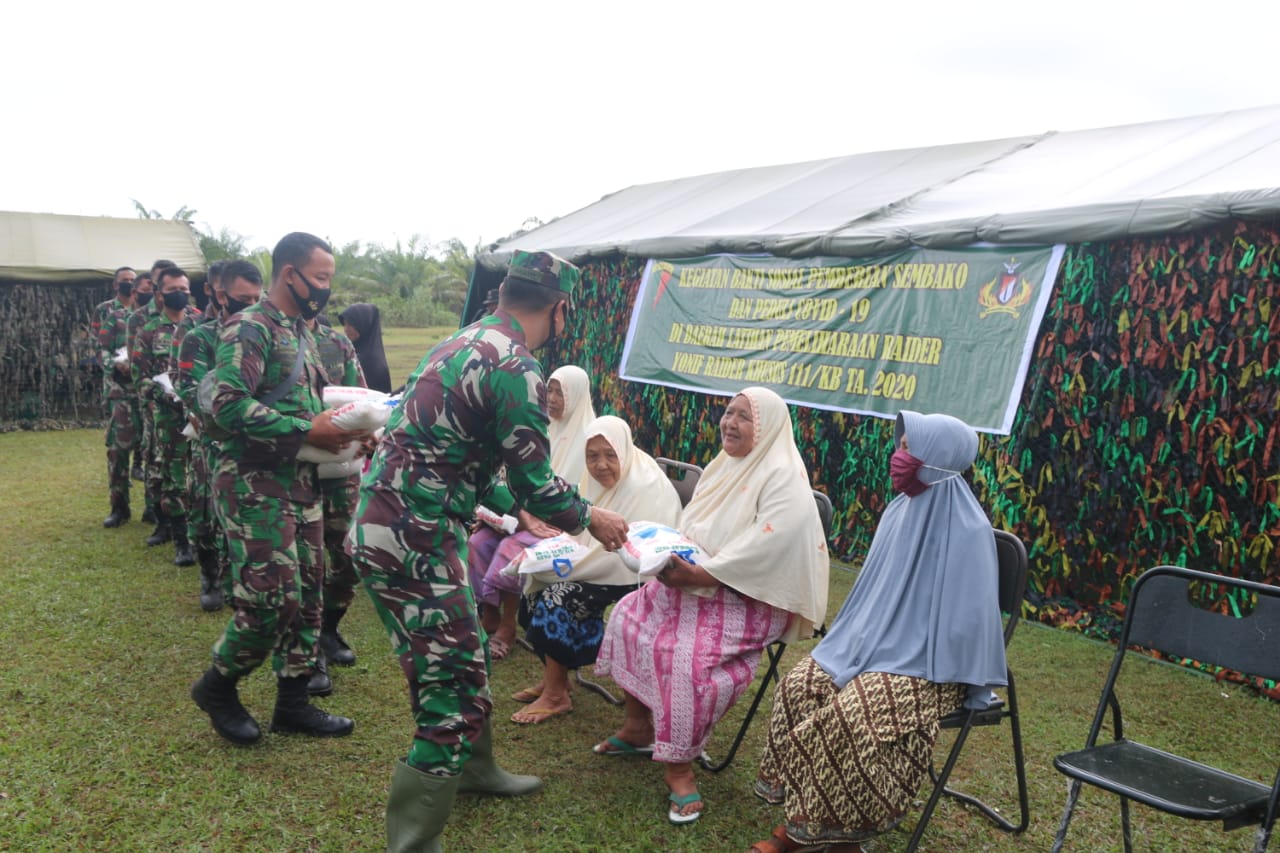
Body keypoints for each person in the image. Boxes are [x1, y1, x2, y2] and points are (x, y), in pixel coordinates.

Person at [348, 249, 629, 853]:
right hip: (412, 538)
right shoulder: (516, 365)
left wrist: (517, 506)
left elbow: (467, 457)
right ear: (560, 309)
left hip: (396, 524)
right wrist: (591, 517)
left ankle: (476, 771)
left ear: (505, 292)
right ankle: (413, 844)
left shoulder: (462, 341)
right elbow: (534, 482)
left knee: (467, 655)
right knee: (448, 686)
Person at [748, 411, 1007, 853]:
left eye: (908, 448)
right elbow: (875, 596)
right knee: (800, 686)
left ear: (938, 458)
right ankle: (816, 820)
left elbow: (968, 630)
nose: (897, 456)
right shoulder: (898, 512)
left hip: (933, 669)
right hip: (869, 648)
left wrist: (905, 658)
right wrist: (861, 648)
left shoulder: (971, 531)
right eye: (900, 445)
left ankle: (822, 836)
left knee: (855, 714)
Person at [593, 386, 829, 826]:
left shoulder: (782, 477)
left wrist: (702, 574)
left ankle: (679, 769)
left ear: (769, 427)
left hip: (752, 595)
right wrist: (672, 556)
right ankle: (638, 727)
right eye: (728, 412)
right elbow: (694, 524)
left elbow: (766, 549)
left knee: (685, 656)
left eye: (744, 416)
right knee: (628, 615)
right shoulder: (725, 466)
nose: (730, 422)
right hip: (699, 578)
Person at [190, 233, 367, 747]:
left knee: (309, 593)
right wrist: (307, 431)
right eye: (320, 277)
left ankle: (292, 703)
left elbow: (308, 406)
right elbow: (224, 404)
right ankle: (217, 686)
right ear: (289, 274)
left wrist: (354, 429)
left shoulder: (303, 333)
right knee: (270, 601)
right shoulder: (250, 328)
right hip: (253, 484)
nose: (325, 288)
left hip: (302, 480)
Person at [510, 415, 682, 724]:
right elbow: (582, 533)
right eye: (592, 456)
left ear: (624, 451)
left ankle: (555, 695)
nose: (600, 465)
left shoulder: (645, 485)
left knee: (557, 596)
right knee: (534, 584)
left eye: (609, 455)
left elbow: (633, 553)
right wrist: (555, 555)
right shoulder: (593, 482)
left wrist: (571, 566)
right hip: (599, 561)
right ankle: (556, 678)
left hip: (636, 573)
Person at [468, 363, 597, 660]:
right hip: (523, 514)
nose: (551, 398)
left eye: (559, 392)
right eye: (548, 390)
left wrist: (531, 517)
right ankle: (489, 611)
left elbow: (582, 496)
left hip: (564, 525)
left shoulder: (589, 437)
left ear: (575, 395)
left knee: (513, 548)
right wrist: (502, 517)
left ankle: (508, 625)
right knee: (479, 542)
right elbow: (514, 477)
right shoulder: (540, 427)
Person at [173, 260, 264, 611]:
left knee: (244, 516)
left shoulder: (265, 336)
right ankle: (209, 572)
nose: (251, 304)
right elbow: (191, 390)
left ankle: (236, 582)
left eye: (257, 297)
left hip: (253, 441)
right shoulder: (200, 338)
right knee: (204, 512)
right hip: (211, 441)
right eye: (244, 298)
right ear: (222, 295)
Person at [308, 310, 368, 695]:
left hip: (342, 471)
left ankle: (329, 628)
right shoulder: (266, 340)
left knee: (348, 556)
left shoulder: (338, 343)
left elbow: (360, 396)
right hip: (292, 472)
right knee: (305, 565)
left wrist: (369, 430)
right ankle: (308, 650)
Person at [132, 266, 201, 565]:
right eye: (173, 289)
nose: (181, 294)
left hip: (201, 414)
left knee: (202, 477)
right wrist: (167, 395)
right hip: (170, 416)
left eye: (184, 289)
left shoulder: (201, 324)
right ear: (160, 294)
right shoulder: (147, 331)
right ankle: (181, 541)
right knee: (173, 479)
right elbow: (140, 378)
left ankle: (203, 536)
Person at [93, 266, 139, 527]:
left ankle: (156, 510)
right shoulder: (106, 311)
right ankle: (119, 506)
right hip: (119, 390)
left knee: (153, 451)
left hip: (147, 391)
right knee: (118, 449)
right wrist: (115, 365)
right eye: (125, 281)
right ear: (115, 285)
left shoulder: (145, 311)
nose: (130, 285)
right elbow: (100, 348)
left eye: (133, 281)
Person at [339, 302, 392, 393]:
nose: (346, 329)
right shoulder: (354, 352)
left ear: (364, 325)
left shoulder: (370, 361)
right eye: (345, 324)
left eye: (351, 324)